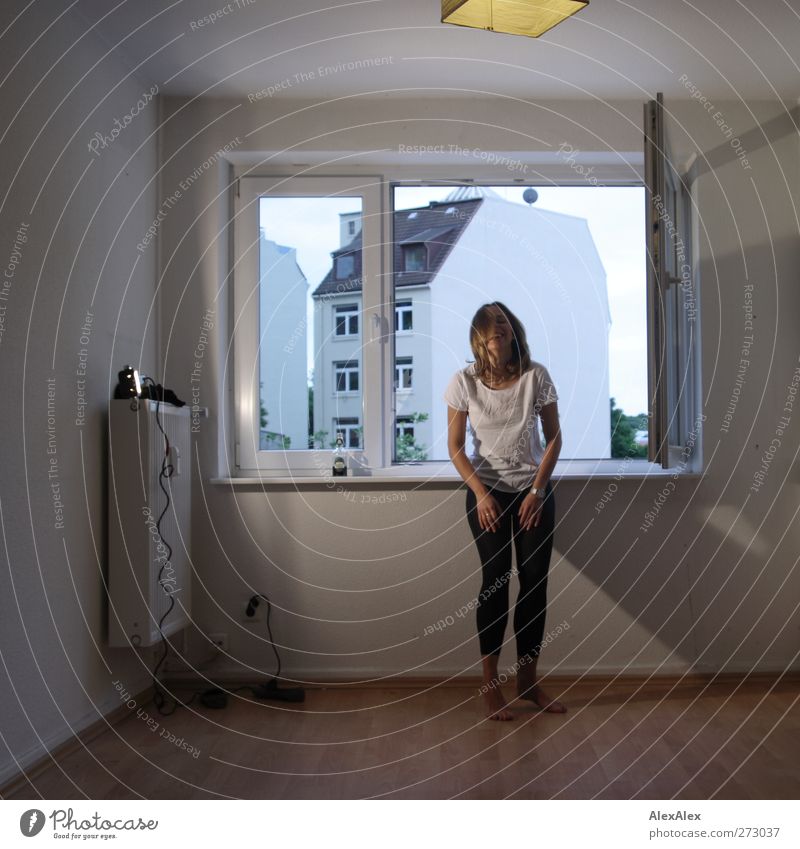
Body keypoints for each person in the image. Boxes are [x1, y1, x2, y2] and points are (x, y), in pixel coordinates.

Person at [444, 301, 565, 721]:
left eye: (503, 322)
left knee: (534, 584)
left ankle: (528, 682)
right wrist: (479, 493)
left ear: (513, 332)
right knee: (495, 582)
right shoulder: (464, 382)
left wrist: (537, 489)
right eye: (489, 323)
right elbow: (456, 448)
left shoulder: (536, 376)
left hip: (533, 492)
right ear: (480, 336)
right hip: (487, 494)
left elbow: (554, 440)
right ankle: (491, 686)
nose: (498, 327)